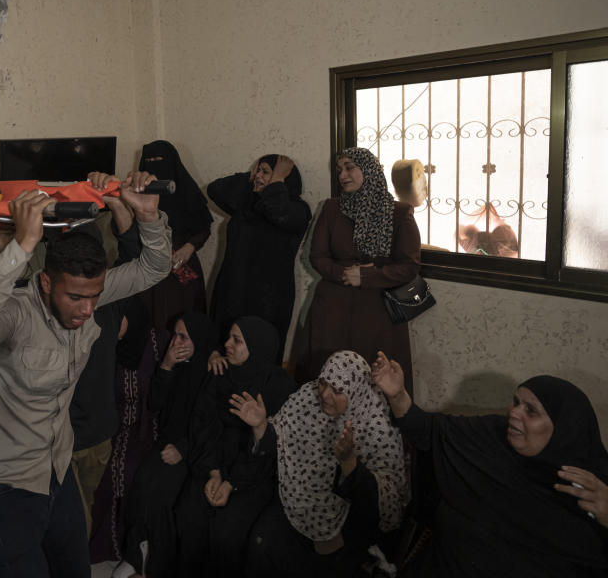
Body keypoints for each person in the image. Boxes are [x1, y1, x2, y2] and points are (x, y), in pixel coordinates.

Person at [0, 172, 171, 578]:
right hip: (1, 484)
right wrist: (21, 245)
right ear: (46, 283)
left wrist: (149, 218)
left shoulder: (89, 294)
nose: (87, 310)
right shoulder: (13, 312)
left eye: (95, 297)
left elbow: (153, 268)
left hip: (55, 469)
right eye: (76, 298)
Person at [371, 353, 608, 577]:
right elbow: (429, 430)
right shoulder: (491, 437)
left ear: (564, 432)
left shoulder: (595, 491)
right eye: (516, 402)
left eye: (531, 411)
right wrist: (397, 395)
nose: (514, 413)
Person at [234, 350, 407, 577]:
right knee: (262, 543)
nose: (324, 394)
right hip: (296, 496)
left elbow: (386, 501)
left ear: (355, 392)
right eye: (323, 383)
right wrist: (260, 427)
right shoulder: (308, 396)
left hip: (347, 519)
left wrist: (349, 462)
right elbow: (281, 437)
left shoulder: (377, 424)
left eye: (337, 390)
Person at [174, 316, 296, 578]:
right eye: (229, 337)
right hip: (213, 461)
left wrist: (232, 483)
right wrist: (214, 473)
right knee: (190, 514)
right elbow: (203, 425)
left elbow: (276, 449)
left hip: (254, 473)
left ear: (257, 346)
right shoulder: (220, 373)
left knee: (227, 531)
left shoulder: (279, 387)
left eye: (237, 340)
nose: (227, 344)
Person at [290, 147, 420, 391]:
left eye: (350, 167)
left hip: (378, 311)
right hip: (332, 308)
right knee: (326, 376)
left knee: (374, 379)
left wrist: (367, 276)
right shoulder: (330, 209)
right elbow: (317, 256)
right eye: (340, 169)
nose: (342, 175)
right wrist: (343, 274)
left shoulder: (399, 213)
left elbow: (409, 266)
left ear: (369, 170)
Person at [115, 311, 216, 578]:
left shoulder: (213, 370)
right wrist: (167, 366)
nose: (175, 342)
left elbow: (212, 425)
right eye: (174, 335)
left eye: (183, 336)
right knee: (142, 484)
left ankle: (155, 564)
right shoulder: (178, 363)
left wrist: (184, 450)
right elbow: (155, 403)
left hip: (198, 447)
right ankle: (137, 552)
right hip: (169, 440)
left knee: (162, 494)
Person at [207, 154, 311, 356]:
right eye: (258, 171)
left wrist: (278, 180)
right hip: (232, 291)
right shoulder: (246, 205)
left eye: (265, 172)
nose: (258, 176)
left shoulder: (298, 209)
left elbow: (278, 213)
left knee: (260, 351)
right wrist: (252, 175)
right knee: (225, 347)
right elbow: (215, 189)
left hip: (268, 298)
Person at [136, 140, 213, 332]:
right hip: (146, 264)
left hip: (180, 263)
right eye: (150, 161)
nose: (155, 165)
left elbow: (203, 226)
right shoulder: (138, 194)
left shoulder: (186, 191)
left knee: (182, 322)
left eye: (159, 160)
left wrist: (189, 248)